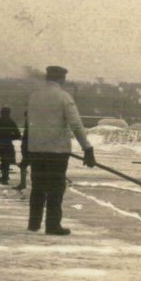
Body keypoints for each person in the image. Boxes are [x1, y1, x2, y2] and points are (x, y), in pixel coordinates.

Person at [26, 66, 96, 235]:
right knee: (55, 189)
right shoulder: (64, 97)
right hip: (57, 152)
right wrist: (87, 148)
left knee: (38, 188)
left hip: (36, 150)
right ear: (62, 79)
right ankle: (52, 225)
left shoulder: (34, 97)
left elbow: (30, 122)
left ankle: (34, 223)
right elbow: (76, 125)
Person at [0, 107, 21, 184]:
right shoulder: (11, 122)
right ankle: (5, 179)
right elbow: (18, 135)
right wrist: (9, 137)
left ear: (1, 113)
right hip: (7, 144)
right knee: (6, 162)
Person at [14, 111, 29, 190]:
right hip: (31, 148)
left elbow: (27, 137)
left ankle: (23, 184)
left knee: (23, 166)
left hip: (29, 148)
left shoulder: (29, 124)